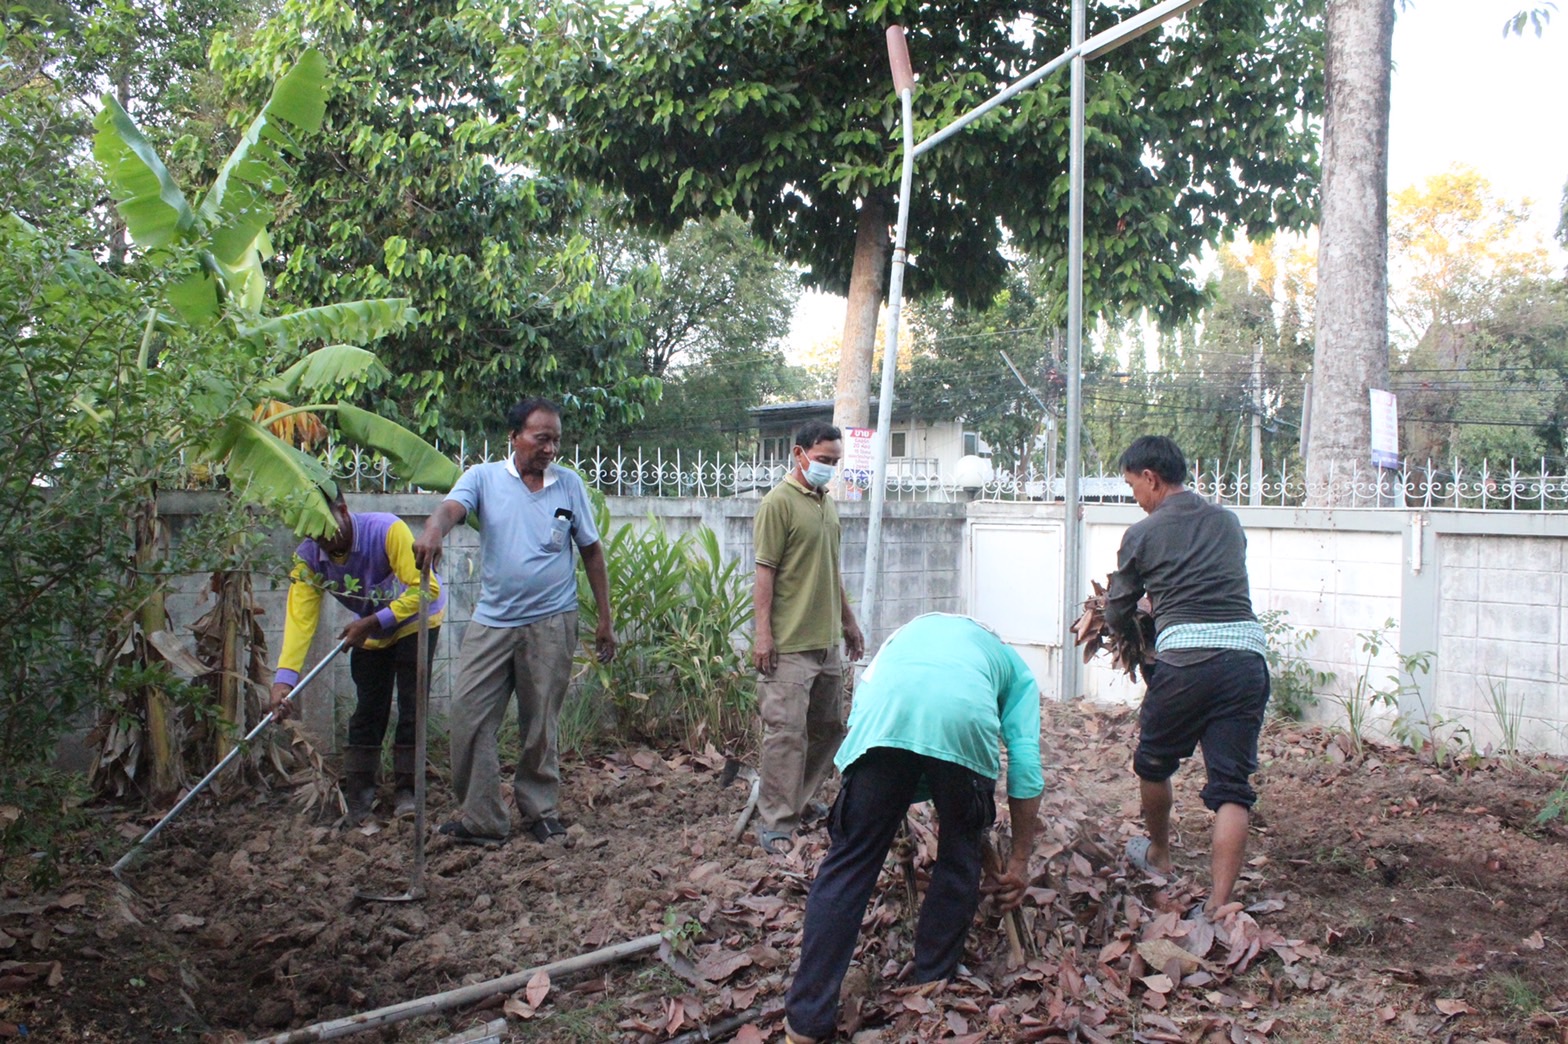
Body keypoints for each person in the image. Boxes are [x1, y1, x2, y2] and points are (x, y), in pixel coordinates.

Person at [781, 613, 1043, 1044]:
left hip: (884, 717)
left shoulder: (899, 640)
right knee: (960, 854)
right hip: (964, 720)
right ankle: (932, 982)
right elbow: (1027, 766)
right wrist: (1019, 861)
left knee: (847, 864)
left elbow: (866, 719)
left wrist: (873, 811)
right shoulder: (1012, 667)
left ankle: (805, 1024)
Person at [413, 398, 616, 846]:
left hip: (551, 621)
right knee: (468, 715)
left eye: (556, 440)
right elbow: (451, 510)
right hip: (494, 622)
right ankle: (483, 818)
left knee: (540, 721)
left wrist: (605, 617)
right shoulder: (483, 478)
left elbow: (591, 551)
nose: (550, 449)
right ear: (514, 437)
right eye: (541, 438)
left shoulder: (568, 486)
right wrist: (432, 530)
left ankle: (540, 809)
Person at [1105, 434, 1270, 917]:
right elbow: (1212, 577)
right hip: (1245, 661)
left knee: (1153, 762)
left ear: (1152, 479)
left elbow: (1117, 610)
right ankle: (1220, 904)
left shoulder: (1143, 533)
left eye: (1134, 487)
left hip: (1184, 666)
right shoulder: (1227, 521)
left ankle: (1160, 853)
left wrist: (1136, 623)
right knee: (1232, 786)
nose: (1136, 498)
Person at [270, 489, 444, 826]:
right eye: (311, 533)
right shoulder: (308, 559)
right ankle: (361, 794)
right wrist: (284, 680)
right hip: (369, 633)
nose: (321, 539)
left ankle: (408, 791)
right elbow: (300, 622)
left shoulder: (386, 529)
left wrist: (372, 621)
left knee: (412, 705)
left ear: (344, 511)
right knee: (368, 710)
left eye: (324, 527)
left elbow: (426, 589)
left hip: (416, 621)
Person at [752, 421, 865, 855]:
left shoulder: (825, 504)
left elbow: (831, 570)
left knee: (828, 728)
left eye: (835, 462)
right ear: (799, 454)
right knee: (785, 734)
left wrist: (848, 621)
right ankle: (776, 822)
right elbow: (766, 571)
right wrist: (763, 635)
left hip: (825, 642)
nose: (828, 469)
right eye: (823, 460)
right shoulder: (778, 503)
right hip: (788, 644)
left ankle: (796, 801)